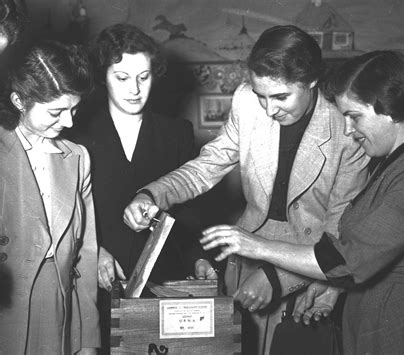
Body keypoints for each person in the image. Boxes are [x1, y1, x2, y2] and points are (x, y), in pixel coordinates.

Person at [200, 50, 404, 354]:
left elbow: (348, 259)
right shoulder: (396, 161)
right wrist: (332, 286)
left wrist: (256, 246)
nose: (347, 130)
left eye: (354, 116)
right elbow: (364, 249)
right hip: (383, 313)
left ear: (391, 108)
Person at [124, 25, 369, 354]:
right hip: (247, 261)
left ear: (312, 81)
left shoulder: (346, 124)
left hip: (310, 271)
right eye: (261, 96)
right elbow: (209, 163)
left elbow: (340, 230)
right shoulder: (245, 101)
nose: (269, 110)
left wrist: (278, 278)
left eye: (281, 97)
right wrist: (153, 195)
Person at [70, 23, 216, 352]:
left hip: (164, 286)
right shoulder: (76, 133)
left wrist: (199, 260)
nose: (134, 89)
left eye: (144, 76)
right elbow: (66, 212)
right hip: (99, 287)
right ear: (102, 76)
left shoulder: (177, 133)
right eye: (122, 77)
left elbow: (189, 215)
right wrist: (92, 252)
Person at [0, 41, 99, 354]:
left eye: (74, 109)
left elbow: (87, 252)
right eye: (56, 112)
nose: (69, 122)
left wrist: (86, 339)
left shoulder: (78, 157)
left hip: (57, 307)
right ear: (19, 100)